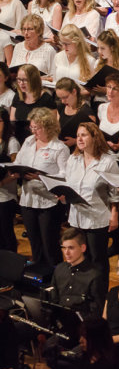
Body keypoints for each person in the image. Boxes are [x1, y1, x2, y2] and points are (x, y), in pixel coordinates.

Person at [64, 122, 119, 290]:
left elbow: (115, 191)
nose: (79, 139)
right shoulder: (73, 159)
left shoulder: (107, 161)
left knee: (97, 260)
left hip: (97, 218)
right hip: (76, 217)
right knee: (79, 257)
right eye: (78, 135)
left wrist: (114, 214)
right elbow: (67, 183)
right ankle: (82, 290)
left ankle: (99, 293)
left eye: (84, 135)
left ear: (94, 137)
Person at [13, 106, 69, 265]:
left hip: (49, 202)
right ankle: (38, 276)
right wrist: (16, 171)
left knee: (49, 244)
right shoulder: (28, 142)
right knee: (34, 243)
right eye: (32, 127)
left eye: (37, 128)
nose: (33, 131)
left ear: (48, 127)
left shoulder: (59, 148)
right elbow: (18, 162)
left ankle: (54, 279)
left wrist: (41, 177)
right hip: (28, 199)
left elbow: (65, 176)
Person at [50, 227, 104, 316]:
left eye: (71, 248)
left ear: (82, 248)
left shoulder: (94, 276)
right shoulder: (59, 269)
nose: (66, 252)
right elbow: (54, 299)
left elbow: (96, 312)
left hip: (82, 326)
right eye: (64, 248)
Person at [10, 64, 57, 142]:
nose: (21, 83)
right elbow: (12, 120)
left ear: (34, 80)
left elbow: (52, 126)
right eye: (19, 79)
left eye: (25, 80)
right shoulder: (18, 96)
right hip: (19, 139)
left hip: (39, 140)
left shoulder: (46, 99)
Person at [55, 77, 96, 147]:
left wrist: (75, 141)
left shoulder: (86, 112)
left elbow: (94, 138)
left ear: (74, 92)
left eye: (65, 97)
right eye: (60, 98)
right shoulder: (61, 106)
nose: (63, 101)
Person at [0, 106, 19, 252]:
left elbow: (16, 172)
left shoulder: (11, 143)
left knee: (6, 232)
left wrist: (1, 182)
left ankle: (10, 265)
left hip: (6, 196)